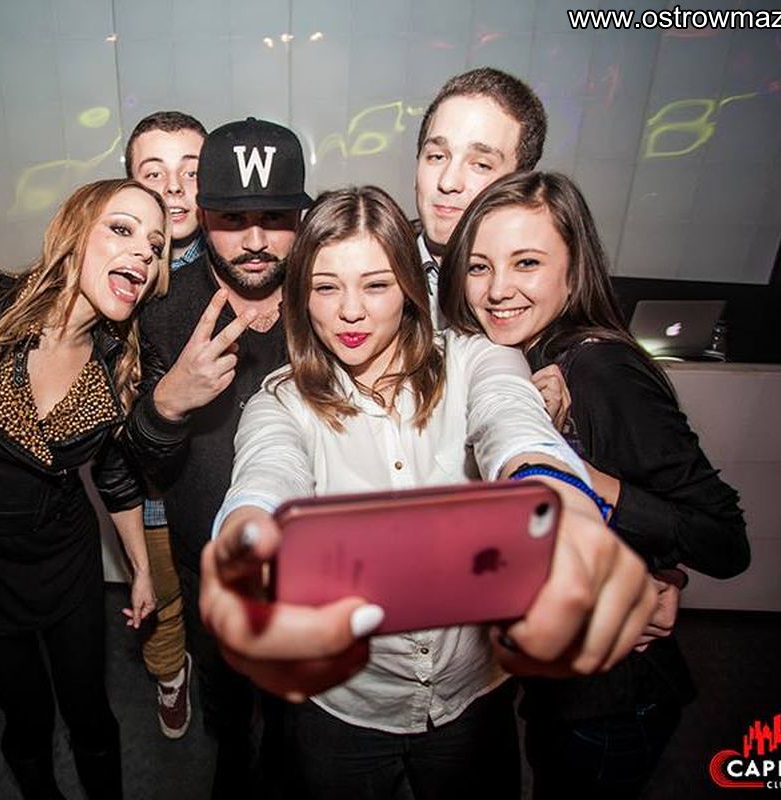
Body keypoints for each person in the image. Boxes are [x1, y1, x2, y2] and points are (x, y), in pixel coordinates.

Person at [211, 185, 654, 799]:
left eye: (375, 284)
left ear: (409, 287)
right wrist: (247, 544)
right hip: (345, 703)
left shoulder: (477, 361)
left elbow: (511, 423)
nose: (350, 312)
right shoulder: (281, 403)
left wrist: (557, 499)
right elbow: (266, 474)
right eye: (326, 287)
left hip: (473, 699)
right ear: (301, 298)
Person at [439, 170, 750, 798]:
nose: (497, 290)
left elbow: (723, 539)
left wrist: (576, 477)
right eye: (478, 267)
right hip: (559, 681)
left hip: (612, 700)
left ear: (573, 269)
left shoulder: (599, 368)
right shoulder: (521, 358)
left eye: (527, 263)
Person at [0, 179, 168, 800]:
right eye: (121, 229)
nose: (143, 254)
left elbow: (114, 473)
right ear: (73, 232)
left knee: (91, 711)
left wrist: (140, 568)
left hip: (66, 558)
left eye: (155, 247)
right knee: (26, 718)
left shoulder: (119, 362)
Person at [124, 116, 312, 799]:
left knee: (297, 706)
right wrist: (166, 405)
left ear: (301, 218)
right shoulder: (158, 311)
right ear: (202, 215)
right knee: (226, 697)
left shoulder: (329, 303)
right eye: (233, 219)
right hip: (204, 557)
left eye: (274, 218)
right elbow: (137, 464)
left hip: (310, 560)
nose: (255, 241)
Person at [124, 110, 208, 738]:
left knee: (215, 595)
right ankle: (169, 674)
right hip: (144, 484)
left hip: (212, 475)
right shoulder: (115, 270)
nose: (174, 188)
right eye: (154, 173)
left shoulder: (237, 265)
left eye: (192, 171)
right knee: (160, 594)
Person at [413, 67, 547, 326]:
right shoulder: (369, 266)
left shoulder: (536, 299)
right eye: (437, 157)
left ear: (519, 184)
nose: (448, 182)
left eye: (481, 165)